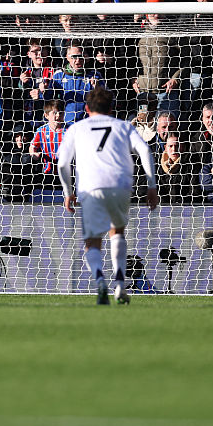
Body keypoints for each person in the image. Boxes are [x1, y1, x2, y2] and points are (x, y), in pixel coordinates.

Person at [57, 87, 159, 305]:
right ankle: (120, 283)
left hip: (90, 187)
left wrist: (68, 192)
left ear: (86, 108)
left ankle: (101, 281)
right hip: (119, 185)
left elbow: (63, 163)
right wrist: (152, 186)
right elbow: (145, 151)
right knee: (117, 233)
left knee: (92, 241)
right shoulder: (123, 126)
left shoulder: (77, 128)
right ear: (111, 108)